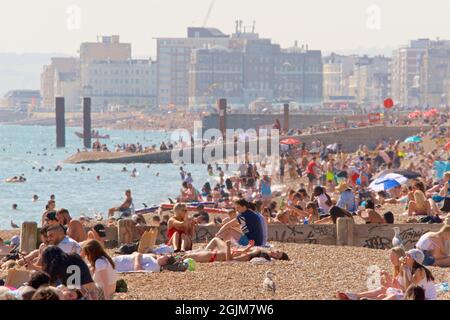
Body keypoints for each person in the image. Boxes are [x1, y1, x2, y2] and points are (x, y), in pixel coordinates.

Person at [337, 247, 406, 300]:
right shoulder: (397, 270)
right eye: (390, 257)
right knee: (381, 290)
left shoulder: (405, 270)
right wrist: (385, 281)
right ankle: (355, 296)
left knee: (381, 293)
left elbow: (404, 288)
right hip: (397, 292)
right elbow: (394, 286)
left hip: (402, 294)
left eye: (393, 257)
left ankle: (355, 296)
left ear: (399, 257)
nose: (391, 259)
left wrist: (387, 278)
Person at [113, 253, 177, 272]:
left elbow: (138, 269)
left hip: (118, 265)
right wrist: (137, 254)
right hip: (117, 261)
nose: (163, 255)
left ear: (165, 261)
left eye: (165, 256)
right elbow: (136, 253)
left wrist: (137, 256)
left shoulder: (155, 266)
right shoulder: (154, 260)